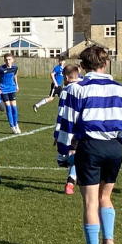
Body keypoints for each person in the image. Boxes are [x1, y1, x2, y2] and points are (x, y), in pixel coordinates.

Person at [54, 45, 122, 244]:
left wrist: (63, 153)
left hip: (89, 146)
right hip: (114, 148)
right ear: (106, 63)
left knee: (90, 201)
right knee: (106, 197)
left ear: (82, 67)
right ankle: (108, 242)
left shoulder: (76, 89)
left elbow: (66, 123)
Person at [56, 64, 81, 195]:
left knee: (69, 157)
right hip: (83, 127)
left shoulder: (65, 91)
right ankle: (71, 181)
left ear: (66, 77)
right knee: (76, 155)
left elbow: (61, 113)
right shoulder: (84, 87)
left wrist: (57, 133)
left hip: (70, 127)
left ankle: (71, 182)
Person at [0, 53, 21, 133]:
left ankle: (16, 124)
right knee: (8, 108)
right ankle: (12, 126)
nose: (8, 61)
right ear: (4, 60)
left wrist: (17, 85)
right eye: (6, 60)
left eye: (9, 59)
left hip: (12, 89)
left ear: (13, 60)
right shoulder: (1, 69)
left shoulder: (15, 68)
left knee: (14, 108)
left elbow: (15, 75)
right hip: (3, 90)